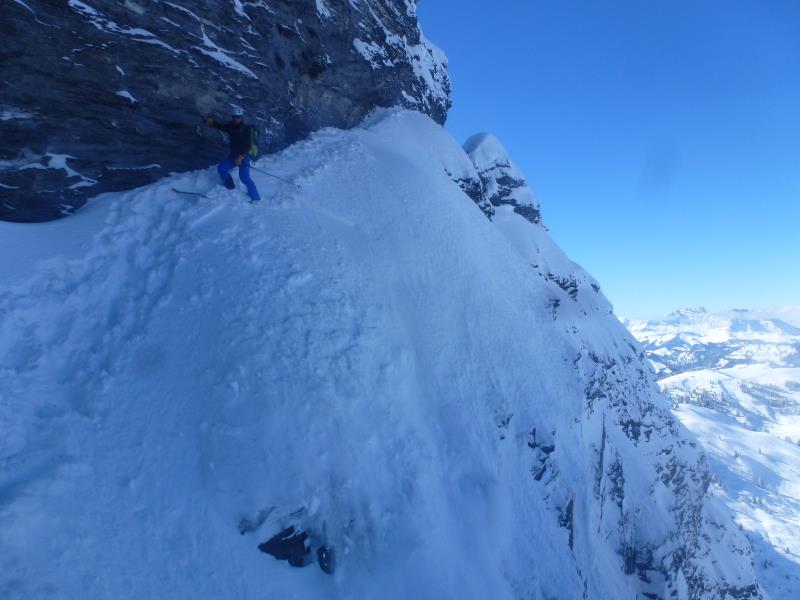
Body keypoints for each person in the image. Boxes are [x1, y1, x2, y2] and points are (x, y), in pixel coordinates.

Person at [203, 106, 261, 203]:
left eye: (238, 117)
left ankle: (256, 198)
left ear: (241, 117)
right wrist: (211, 122)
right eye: (234, 116)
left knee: (244, 178)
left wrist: (241, 156)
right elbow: (221, 127)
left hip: (243, 156)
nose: (235, 119)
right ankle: (230, 185)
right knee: (221, 168)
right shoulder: (231, 126)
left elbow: (247, 145)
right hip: (233, 155)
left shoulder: (245, 129)